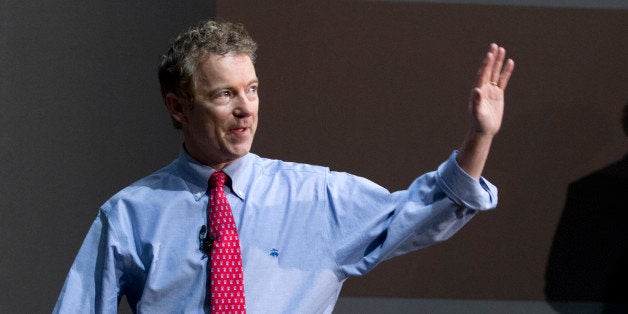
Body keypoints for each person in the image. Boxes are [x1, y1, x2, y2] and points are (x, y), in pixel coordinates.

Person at [53, 20, 514, 313]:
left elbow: (424, 210)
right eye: (223, 94)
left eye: (251, 89)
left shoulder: (315, 196)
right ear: (178, 107)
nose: (245, 109)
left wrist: (479, 137)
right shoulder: (131, 214)